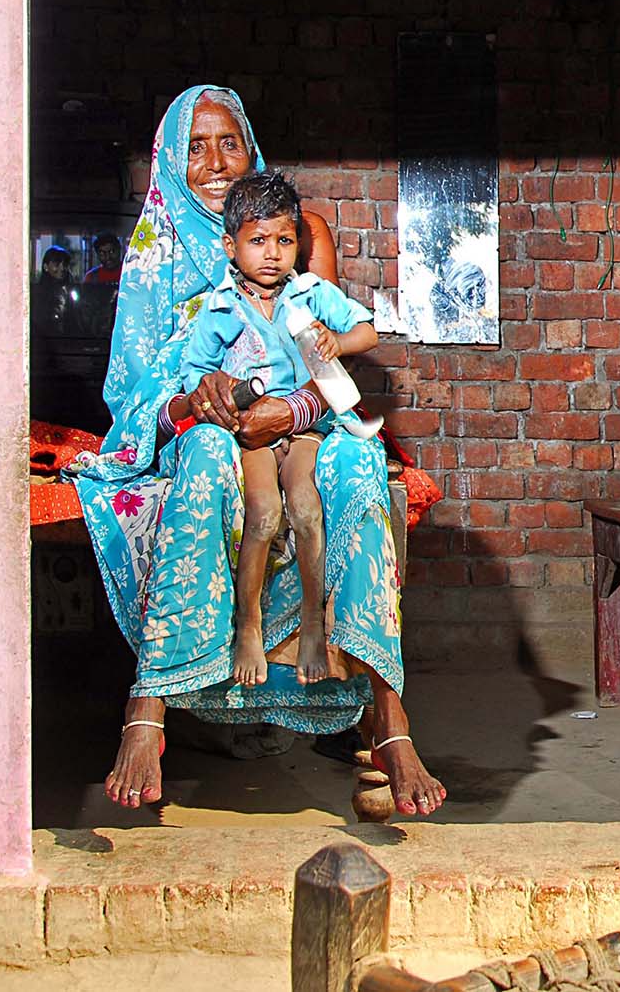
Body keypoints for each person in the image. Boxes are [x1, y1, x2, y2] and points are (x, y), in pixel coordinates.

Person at [73, 84, 445, 817]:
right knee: (208, 454)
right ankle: (148, 705)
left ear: (252, 152)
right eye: (195, 147)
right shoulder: (156, 255)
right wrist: (195, 402)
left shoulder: (299, 234)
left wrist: (291, 410)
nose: (215, 162)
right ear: (169, 161)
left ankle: (388, 716)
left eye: (229, 143)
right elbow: (137, 394)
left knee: (360, 466)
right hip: (203, 433)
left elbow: (326, 357)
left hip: (302, 423)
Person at [177, 170, 381, 688]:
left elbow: (367, 331)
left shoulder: (311, 294)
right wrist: (219, 389)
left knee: (307, 509)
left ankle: (313, 624)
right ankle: (248, 625)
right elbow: (194, 373)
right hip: (254, 433)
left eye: (284, 241)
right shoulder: (220, 308)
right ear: (231, 246)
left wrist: (338, 342)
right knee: (265, 513)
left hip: (305, 426)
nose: (272, 254)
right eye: (258, 241)